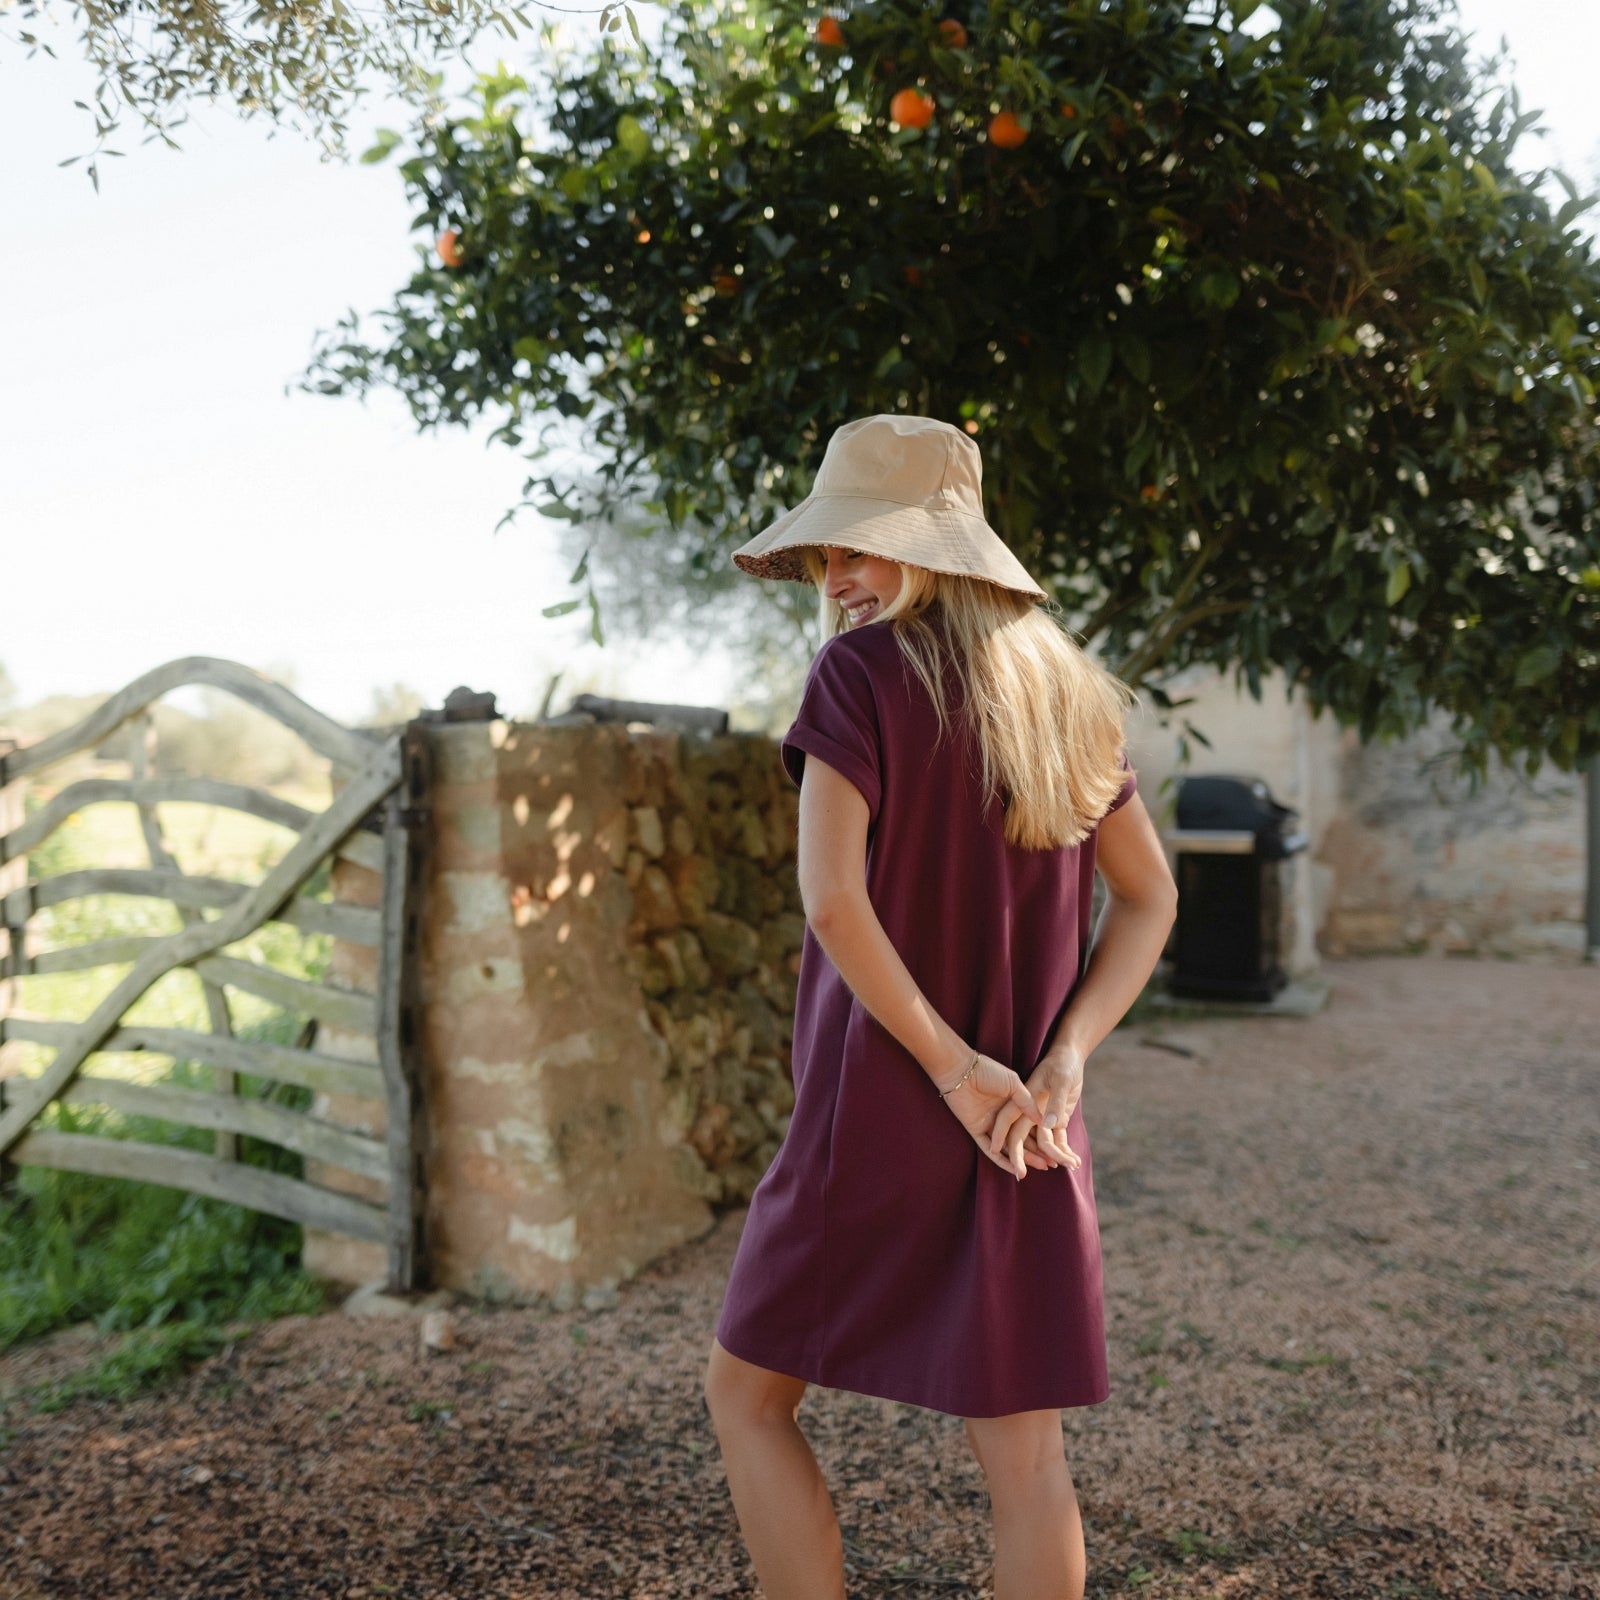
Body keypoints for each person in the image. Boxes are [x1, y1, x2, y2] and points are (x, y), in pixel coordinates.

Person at [704, 414, 1179, 1600]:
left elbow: (832, 901)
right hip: (1026, 1124)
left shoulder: (857, 675)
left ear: (934, 548)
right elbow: (1150, 900)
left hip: (879, 1104)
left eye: (857, 547)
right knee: (1026, 1457)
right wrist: (1063, 1062)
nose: (836, 579)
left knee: (747, 1395)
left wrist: (961, 1071)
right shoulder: (1070, 693)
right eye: (826, 555)